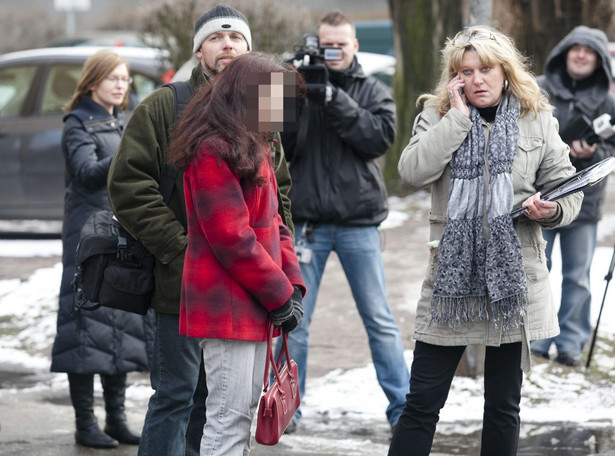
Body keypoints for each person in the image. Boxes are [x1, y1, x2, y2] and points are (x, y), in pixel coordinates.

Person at [107, 4, 295, 455]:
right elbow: (128, 185)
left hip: (247, 285)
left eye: (236, 39)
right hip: (184, 282)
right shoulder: (166, 105)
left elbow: (279, 197)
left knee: (222, 405)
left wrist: (284, 270)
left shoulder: (259, 109)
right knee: (177, 395)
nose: (227, 45)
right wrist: (180, 247)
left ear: (250, 52)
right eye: (216, 38)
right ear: (199, 49)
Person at [388, 25, 583, 456]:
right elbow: (412, 172)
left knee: (503, 406)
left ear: (505, 70)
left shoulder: (538, 118)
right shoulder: (438, 115)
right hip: (450, 283)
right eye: (466, 71)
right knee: (421, 404)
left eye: (487, 69)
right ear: (454, 77)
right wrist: (457, 119)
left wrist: (550, 210)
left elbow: (568, 189)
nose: (477, 79)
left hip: (514, 281)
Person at [277, 9, 410, 431]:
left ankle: (404, 411)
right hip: (307, 225)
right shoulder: (293, 87)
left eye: (340, 44)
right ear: (315, 44)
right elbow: (275, 148)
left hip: (358, 223)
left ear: (354, 46)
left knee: (380, 320)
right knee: (295, 321)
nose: (331, 52)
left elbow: (378, 139)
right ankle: (287, 411)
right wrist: (289, 91)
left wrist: (334, 98)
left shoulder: (372, 89)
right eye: (324, 44)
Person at [168, 52, 305, 456]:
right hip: (225, 303)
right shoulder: (211, 148)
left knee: (241, 415)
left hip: (256, 298)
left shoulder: (253, 143)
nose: (281, 109)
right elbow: (232, 237)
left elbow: (276, 221)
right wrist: (280, 293)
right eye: (274, 98)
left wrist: (291, 286)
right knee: (228, 419)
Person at [50, 50, 150, 449]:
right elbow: (87, 173)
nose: (121, 85)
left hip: (117, 231)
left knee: (119, 322)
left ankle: (116, 420)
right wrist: (125, 152)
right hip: (86, 236)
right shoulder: (77, 124)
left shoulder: (118, 120)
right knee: (83, 326)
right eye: (113, 78)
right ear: (93, 82)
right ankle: (84, 424)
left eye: (125, 79)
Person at [530, 26, 615, 367]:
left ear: (598, 59)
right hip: (540, 199)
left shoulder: (609, 101)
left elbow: (611, 150)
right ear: (563, 53)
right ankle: (536, 337)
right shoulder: (537, 89)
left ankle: (571, 343)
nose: (581, 55)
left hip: (587, 201)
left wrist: (590, 153)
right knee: (538, 269)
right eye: (575, 48)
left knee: (578, 275)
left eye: (589, 51)